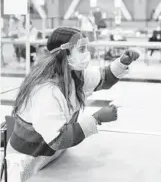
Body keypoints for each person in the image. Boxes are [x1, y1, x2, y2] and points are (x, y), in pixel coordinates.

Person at [4, 27, 140, 182]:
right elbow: (59, 139)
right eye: (81, 49)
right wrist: (96, 119)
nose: (87, 54)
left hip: (52, 157)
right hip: (27, 164)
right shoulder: (46, 90)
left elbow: (104, 78)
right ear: (64, 53)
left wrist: (122, 63)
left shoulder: (74, 76)